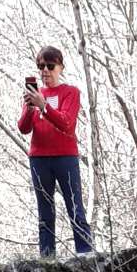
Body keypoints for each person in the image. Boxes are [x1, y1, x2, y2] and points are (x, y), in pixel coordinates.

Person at [18, 46, 92, 257]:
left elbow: (66, 123)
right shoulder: (35, 94)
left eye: (50, 66)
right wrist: (30, 109)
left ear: (60, 67)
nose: (45, 71)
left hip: (65, 156)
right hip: (39, 158)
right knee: (45, 212)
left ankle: (85, 254)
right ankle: (47, 258)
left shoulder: (71, 92)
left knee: (75, 207)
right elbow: (23, 128)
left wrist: (44, 107)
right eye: (41, 66)